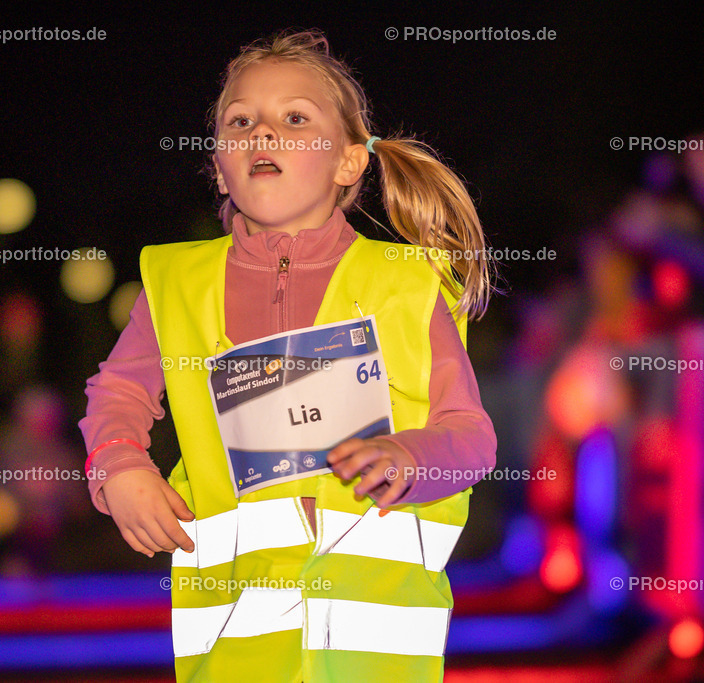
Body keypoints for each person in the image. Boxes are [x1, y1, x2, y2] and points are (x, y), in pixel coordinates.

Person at [80, 30, 497, 682]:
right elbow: (119, 392)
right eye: (240, 121)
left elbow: (471, 438)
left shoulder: (407, 284)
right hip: (234, 638)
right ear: (218, 164)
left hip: (373, 643)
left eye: (294, 118)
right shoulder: (176, 285)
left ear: (349, 163)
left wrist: (410, 456)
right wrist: (117, 462)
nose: (262, 134)